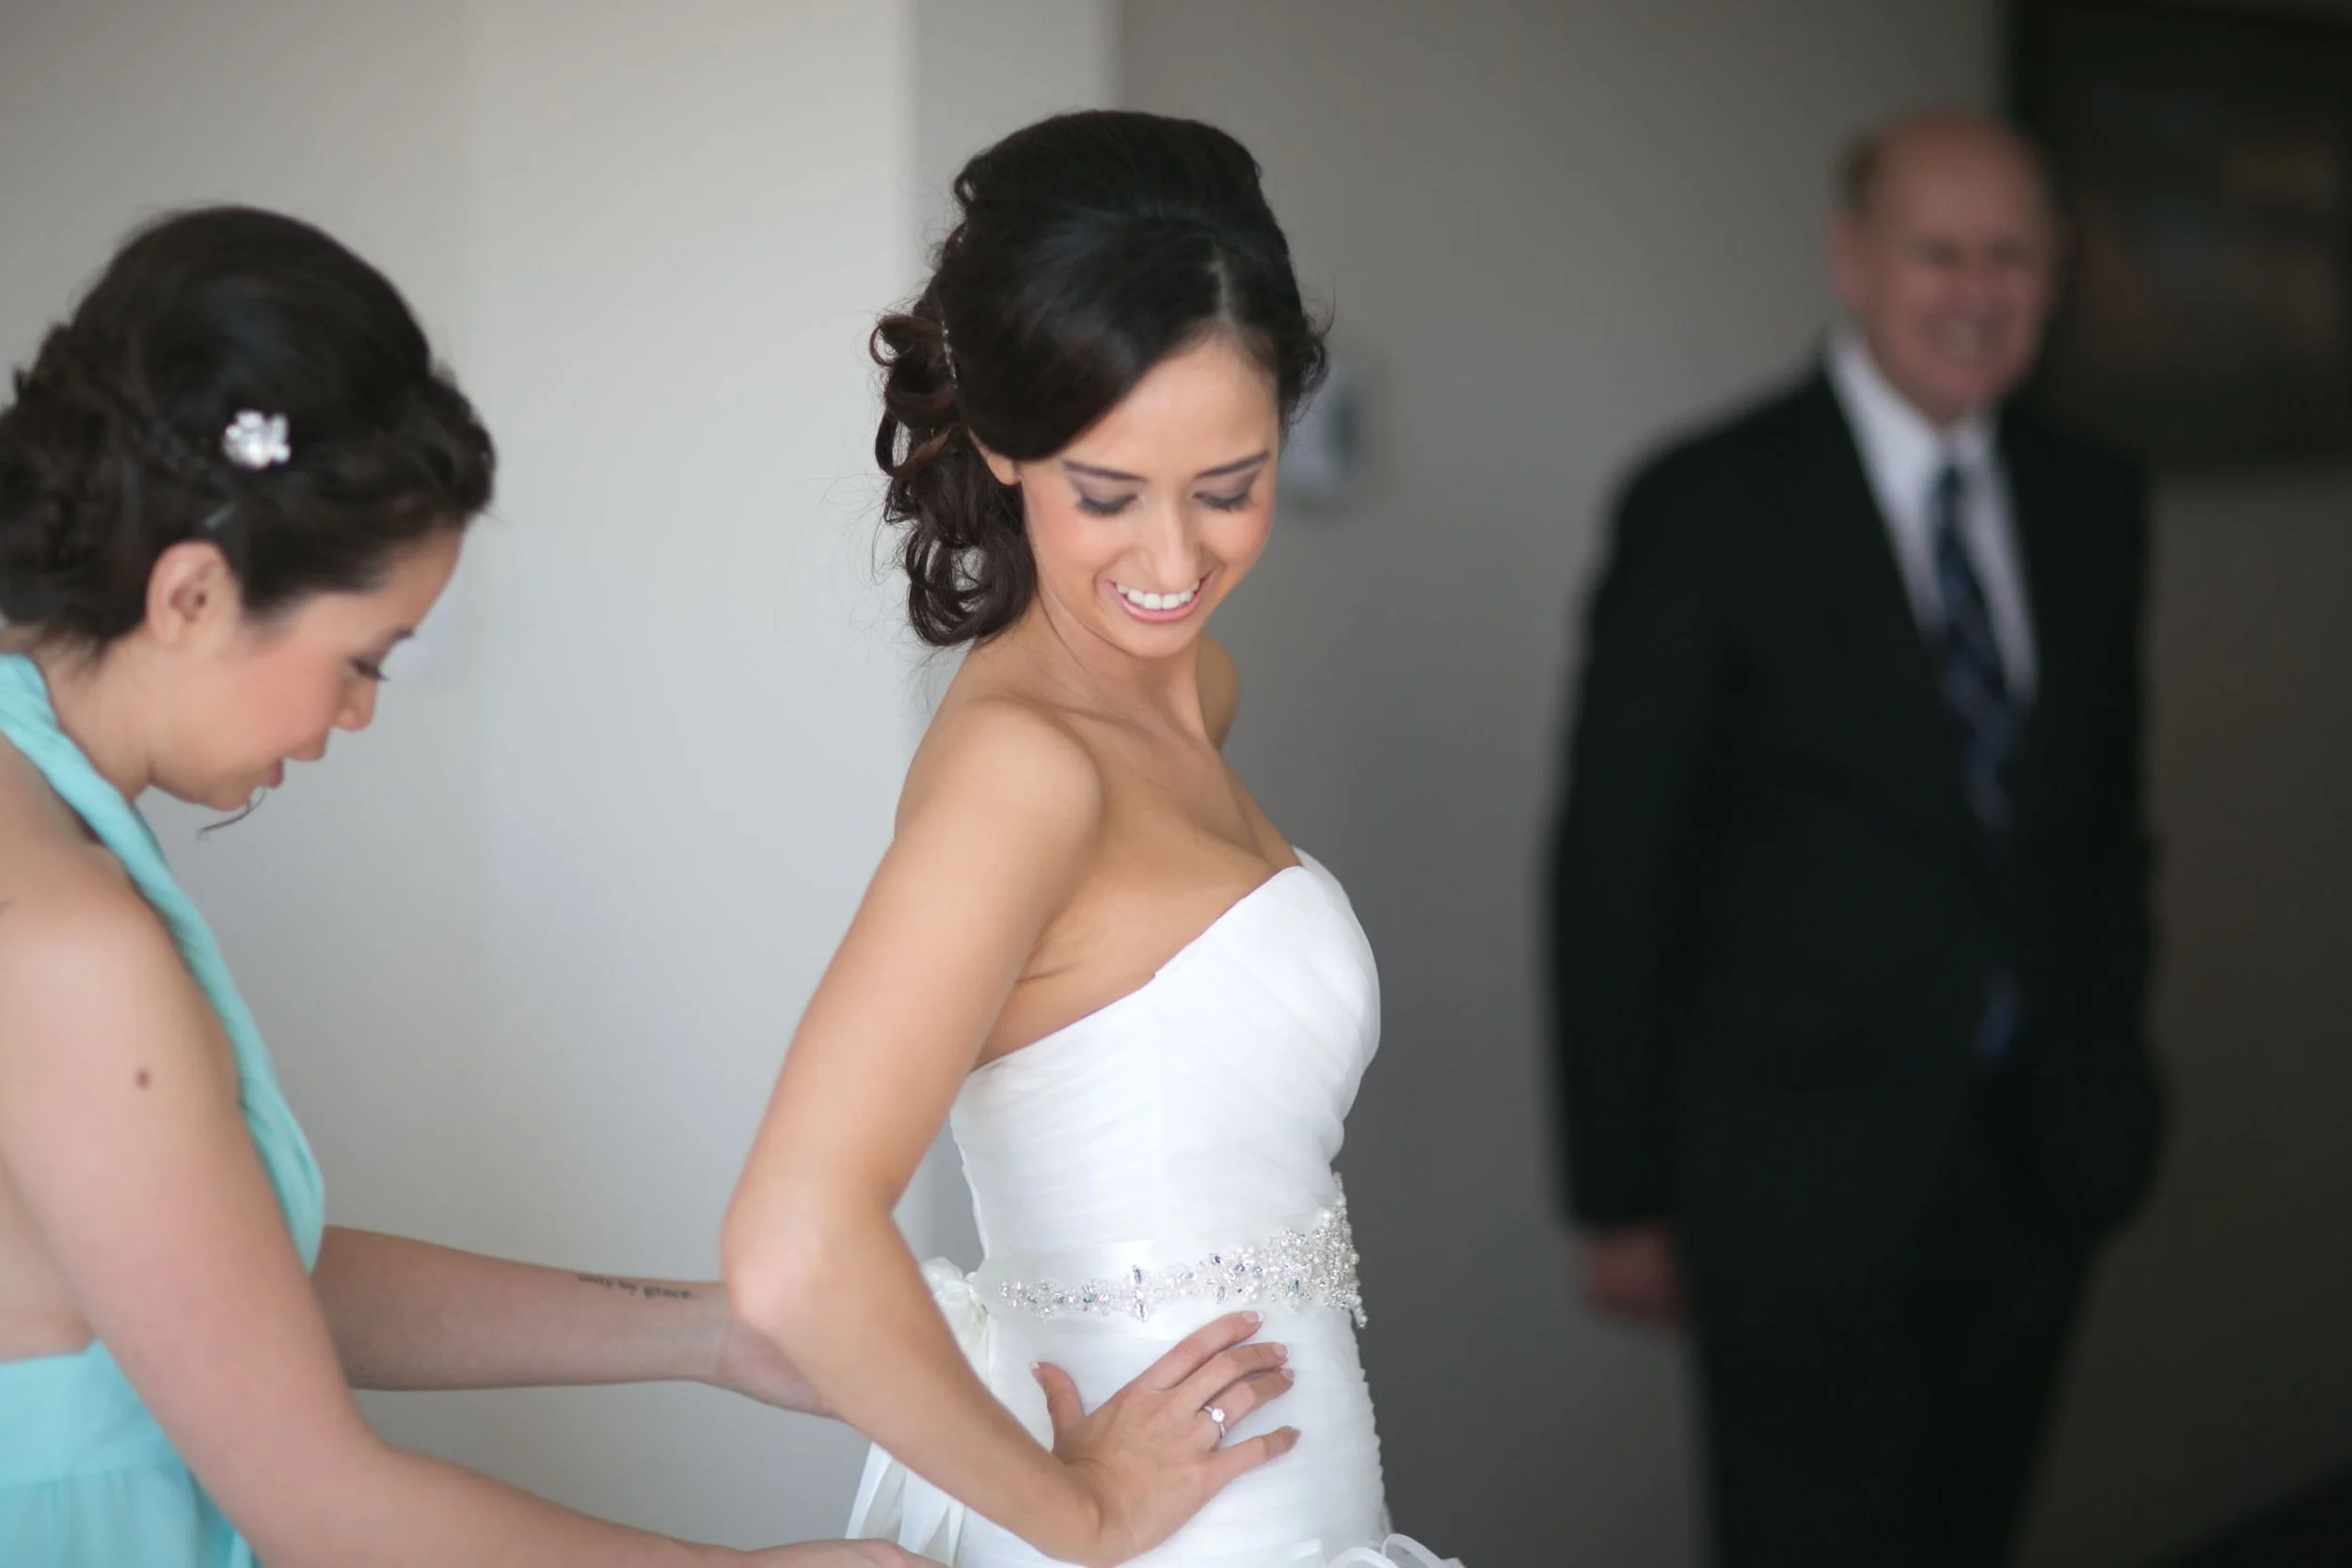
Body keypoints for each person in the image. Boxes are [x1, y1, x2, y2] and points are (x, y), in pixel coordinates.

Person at [0, 205, 928, 1568]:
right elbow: (323, 1506)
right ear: (191, 594)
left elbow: (227, 1289)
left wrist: (721, 1328)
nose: (362, 711)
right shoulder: (70, 940)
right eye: (365, 654)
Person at [723, 110, 1458, 1568]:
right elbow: (792, 1242)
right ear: (1001, 442)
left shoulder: (1192, 695)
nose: (1175, 563)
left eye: (1229, 488)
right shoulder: (1023, 771)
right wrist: (1080, 1513)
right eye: (1107, 495)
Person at [1547, 111, 2163, 1567]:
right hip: (1790, 1190)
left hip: (2036, 1167)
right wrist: (1618, 1190)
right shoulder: (1706, 505)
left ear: (2055, 269)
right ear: (1853, 261)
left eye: (2012, 252)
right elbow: (1612, 867)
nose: (1976, 287)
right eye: (1936, 249)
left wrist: (2119, 1073)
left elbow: (2106, 826)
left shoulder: (2094, 500)